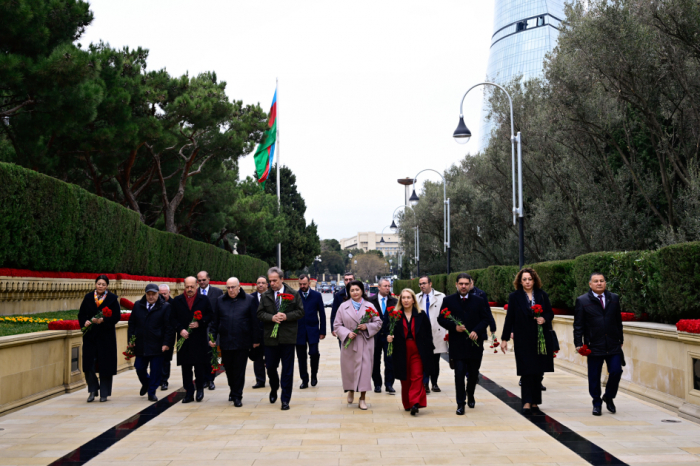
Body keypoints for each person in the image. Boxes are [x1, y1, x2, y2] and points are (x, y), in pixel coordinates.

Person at [500, 268, 555, 415]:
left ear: (534, 280)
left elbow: (550, 312)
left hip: (540, 338)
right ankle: (526, 401)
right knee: (526, 370)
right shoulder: (514, 297)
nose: (527, 282)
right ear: (520, 281)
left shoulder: (542, 295)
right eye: (524, 279)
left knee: (538, 371)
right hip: (522, 338)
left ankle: (535, 401)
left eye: (530, 279)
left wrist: (544, 318)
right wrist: (504, 338)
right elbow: (509, 317)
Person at [438, 273, 492, 414]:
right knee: (459, 374)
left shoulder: (478, 301)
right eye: (461, 283)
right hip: (457, 344)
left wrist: (477, 331)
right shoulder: (448, 300)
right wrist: (453, 327)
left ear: (470, 284)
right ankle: (460, 404)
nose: (463, 286)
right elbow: (441, 319)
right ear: (456, 284)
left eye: (466, 284)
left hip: (475, 344)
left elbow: (486, 319)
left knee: (473, 374)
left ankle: (471, 394)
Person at [574, 272, 624, 416]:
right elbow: (578, 325)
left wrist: (620, 340)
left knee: (616, 371)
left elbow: (618, 321)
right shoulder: (582, 300)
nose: (599, 283)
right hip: (593, 345)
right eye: (596, 281)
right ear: (590, 284)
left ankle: (609, 396)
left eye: (602, 281)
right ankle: (596, 402)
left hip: (613, 344)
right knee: (594, 376)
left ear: (605, 283)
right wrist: (578, 343)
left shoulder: (614, 298)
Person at [257, 267, 305, 410]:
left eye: (274, 281)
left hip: (287, 337)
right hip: (270, 338)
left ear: (282, 279)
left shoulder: (293, 293)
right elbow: (259, 313)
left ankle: (285, 399)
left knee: (287, 370)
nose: (272, 283)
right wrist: (271, 317)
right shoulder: (265, 295)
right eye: (270, 281)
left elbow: (301, 311)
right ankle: (274, 387)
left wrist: (286, 316)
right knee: (271, 367)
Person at [209, 277, 261, 407]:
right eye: (228, 288)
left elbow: (255, 322)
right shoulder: (220, 301)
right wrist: (212, 337)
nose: (231, 290)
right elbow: (215, 322)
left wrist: (256, 340)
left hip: (242, 342)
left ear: (239, 287)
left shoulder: (249, 300)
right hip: (226, 341)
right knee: (229, 369)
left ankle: (238, 395)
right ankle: (233, 389)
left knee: (239, 370)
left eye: (233, 287)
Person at [333, 280, 383, 410]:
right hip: (350, 344)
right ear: (349, 292)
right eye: (352, 290)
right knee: (349, 370)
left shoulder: (369, 306)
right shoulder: (343, 307)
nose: (355, 292)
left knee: (365, 371)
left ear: (362, 290)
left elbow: (378, 323)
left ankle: (362, 398)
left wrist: (367, 326)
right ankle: (350, 389)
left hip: (365, 342)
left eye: (357, 290)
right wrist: (346, 333)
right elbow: (337, 325)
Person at [387, 288, 434, 416]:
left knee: (417, 376)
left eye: (408, 297)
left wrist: (429, 350)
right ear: (400, 300)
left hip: (417, 350)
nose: (406, 300)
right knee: (405, 378)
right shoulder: (395, 315)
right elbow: (386, 330)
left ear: (413, 299)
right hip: (401, 350)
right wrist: (388, 337)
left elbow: (428, 334)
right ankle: (407, 403)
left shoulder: (421, 314)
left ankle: (414, 403)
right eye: (403, 298)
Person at [78, 275, 121, 403]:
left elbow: (117, 316)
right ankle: (92, 390)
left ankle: (104, 393)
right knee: (88, 364)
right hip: (90, 336)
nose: (100, 286)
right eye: (98, 284)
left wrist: (104, 320)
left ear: (107, 286)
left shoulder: (112, 299)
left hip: (106, 337)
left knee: (105, 365)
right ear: (95, 284)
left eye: (103, 284)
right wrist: (84, 322)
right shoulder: (88, 297)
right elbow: (81, 314)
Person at [128, 284, 174, 402]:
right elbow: (132, 323)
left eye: (154, 294)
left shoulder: (165, 306)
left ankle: (151, 392)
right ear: (146, 294)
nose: (151, 297)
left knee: (155, 370)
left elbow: (169, 327)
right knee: (139, 368)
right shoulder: (138, 305)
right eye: (149, 294)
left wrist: (166, 343)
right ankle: (146, 383)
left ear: (158, 294)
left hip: (157, 345)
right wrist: (131, 340)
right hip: (141, 344)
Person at [171, 276, 213, 403]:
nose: (189, 289)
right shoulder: (177, 300)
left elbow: (210, 315)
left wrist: (200, 323)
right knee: (186, 368)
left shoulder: (204, 300)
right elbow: (172, 318)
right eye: (187, 287)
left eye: (192, 287)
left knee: (199, 367)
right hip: (184, 340)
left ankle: (200, 389)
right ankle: (189, 392)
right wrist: (180, 329)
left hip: (198, 339)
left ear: (196, 286)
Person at [416, 275, 447, 394]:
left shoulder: (441, 297)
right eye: (420, 284)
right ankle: (425, 383)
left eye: (424, 283)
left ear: (430, 284)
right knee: (423, 359)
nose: (422, 286)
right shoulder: (417, 297)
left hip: (437, 332)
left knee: (435, 360)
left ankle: (434, 382)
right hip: (422, 333)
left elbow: (445, 314)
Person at [367, 278, 398, 394]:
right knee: (375, 361)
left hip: (389, 336)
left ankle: (389, 384)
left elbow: (398, 319)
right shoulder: (370, 301)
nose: (387, 288)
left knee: (389, 361)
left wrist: (393, 334)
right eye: (385, 286)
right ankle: (377, 384)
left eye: (389, 286)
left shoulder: (394, 301)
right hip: (374, 336)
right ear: (379, 287)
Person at [296, 274, 326, 389]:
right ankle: (304, 379)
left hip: (313, 330)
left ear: (309, 283)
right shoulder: (295, 296)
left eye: (304, 284)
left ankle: (314, 375)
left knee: (314, 354)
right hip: (299, 332)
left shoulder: (317, 296)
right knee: (301, 357)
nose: (302, 286)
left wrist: (322, 331)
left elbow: (322, 314)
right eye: (300, 284)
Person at [197, 271, 223, 390]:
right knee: (201, 356)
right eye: (200, 280)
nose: (202, 282)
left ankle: (211, 379)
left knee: (212, 355)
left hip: (213, 328)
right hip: (199, 329)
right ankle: (202, 380)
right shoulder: (194, 292)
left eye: (204, 280)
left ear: (208, 279)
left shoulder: (217, 292)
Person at [250, 276, 268, 389]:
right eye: (258, 283)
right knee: (257, 358)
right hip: (256, 333)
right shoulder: (251, 298)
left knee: (271, 358)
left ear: (267, 285)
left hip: (268, 333)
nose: (260, 285)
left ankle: (273, 378)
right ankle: (260, 380)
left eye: (263, 283)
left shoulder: (271, 297)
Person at [158, 284, 176, 391]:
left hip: (169, 334)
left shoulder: (174, 304)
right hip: (156, 335)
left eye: (164, 294)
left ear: (169, 293)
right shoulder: (155, 303)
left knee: (165, 359)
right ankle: (156, 379)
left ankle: (164, 380)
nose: (162, 296)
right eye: (160, 294)